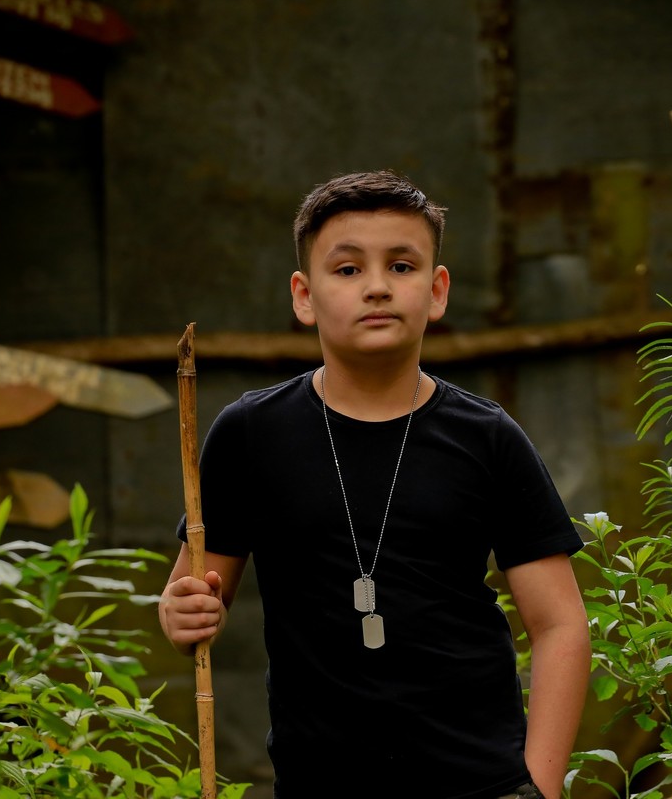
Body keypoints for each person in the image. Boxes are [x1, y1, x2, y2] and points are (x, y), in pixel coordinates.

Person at [159, 170, 590, 799]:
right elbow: (194, 596)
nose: (378, 286)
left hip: (478, 782)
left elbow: (559, 625)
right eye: (348, 269)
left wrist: (541, 787)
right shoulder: (251, 433)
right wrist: (180, 615)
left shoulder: (486, 437)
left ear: (437, 291)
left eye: (402, 266)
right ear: (304, 296)